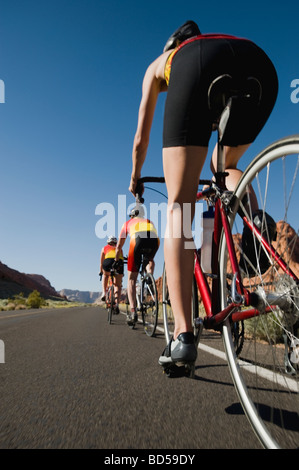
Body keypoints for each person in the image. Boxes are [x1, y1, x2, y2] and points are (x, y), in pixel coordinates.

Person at [128, 20, 278, 368]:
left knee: (180, 207)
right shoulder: (217, 39)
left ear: (171, 45)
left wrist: (135, 179)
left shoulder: (162, 63)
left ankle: (182, 335)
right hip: (258, 63)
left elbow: (140, 141)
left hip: (198, 67)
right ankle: (256, 220)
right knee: (221, 164)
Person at [115, 202, 160, 324]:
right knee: (149, 260)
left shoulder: (127, 223)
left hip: (137, 241)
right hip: (154, 240)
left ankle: (133, 311)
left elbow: (119, 245)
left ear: (132, 215)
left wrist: (116, 260)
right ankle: (150, 275)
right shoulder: (149, 221)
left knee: (131, 280)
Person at [100, 235, 124, 313]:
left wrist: (101, 271)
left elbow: (101, 262)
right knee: (117, 285)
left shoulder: (104, 248)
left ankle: (104, 292)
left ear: (108, 242)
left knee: (105, 275)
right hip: (118, 263)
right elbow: (122, 259)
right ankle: (117, 304)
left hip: (107, 262)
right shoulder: (119, 248)